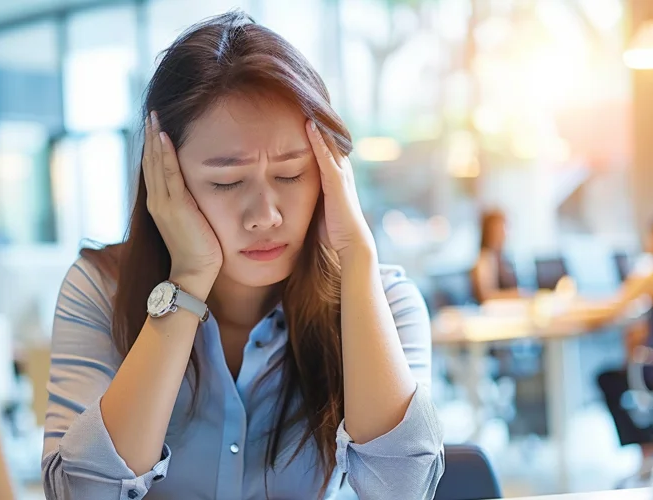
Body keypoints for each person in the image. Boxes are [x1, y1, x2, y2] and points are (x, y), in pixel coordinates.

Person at [42, 12, 444, 500]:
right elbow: (81, 494)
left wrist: (357, 257)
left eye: (292, 174)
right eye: (226, 182)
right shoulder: (99, 290)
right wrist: (187, 283)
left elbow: (404, 490)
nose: (265, 216)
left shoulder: (384, 301)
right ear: (163, 177)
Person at [597, 216, 653, 476]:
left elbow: (615, 306)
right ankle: (651, 444)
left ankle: (648, 445)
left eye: (651, 235)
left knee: (606, 380)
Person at [471, 209, 520, 303]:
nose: (504, 233)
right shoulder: (484, 259)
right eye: (499, 228)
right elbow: (486, 297)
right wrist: (516, 295)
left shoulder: (502, 258)